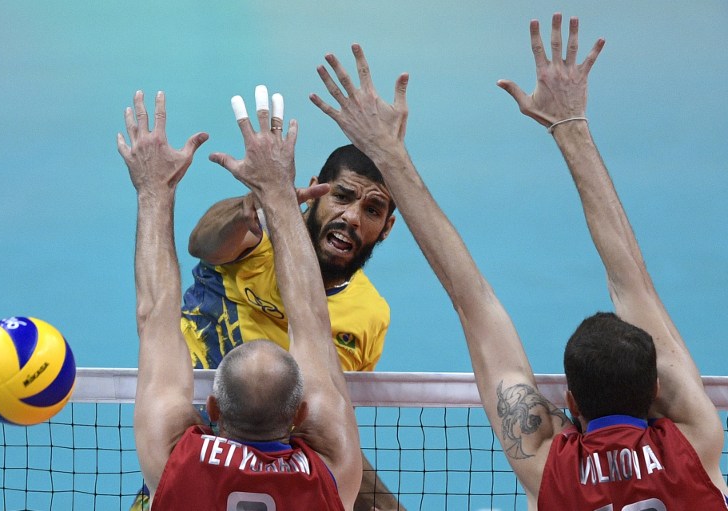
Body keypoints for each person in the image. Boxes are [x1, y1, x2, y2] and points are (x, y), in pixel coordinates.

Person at [309, 14, 728, 510]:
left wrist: (389, 155)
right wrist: (572, 126)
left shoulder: (549, 466)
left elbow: (475, 304)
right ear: (656, 388)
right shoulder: (697, 444)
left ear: (568, 402)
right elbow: (633, 284)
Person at [118, 88, 361, 509]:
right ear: (299, 414)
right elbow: (312, 319)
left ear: (211, 407)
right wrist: (278, 192)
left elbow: (153, 314)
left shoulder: (174, 463)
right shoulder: (332, 475)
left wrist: (154, 190)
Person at [177, 92, 404, 510]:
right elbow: (201, 242)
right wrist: (252, 206)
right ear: (316, 191)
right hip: (194, 451)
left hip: (276, 480)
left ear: (387, 228)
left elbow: (325, 428)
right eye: (342, 196)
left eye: (372, 210)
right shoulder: (257, 237)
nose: (353, 217)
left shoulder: (370, 316)